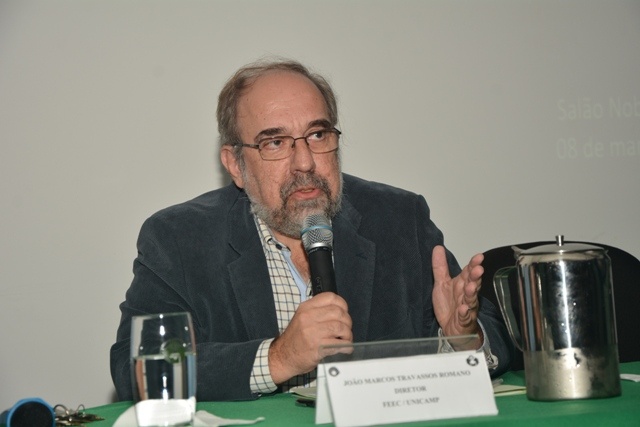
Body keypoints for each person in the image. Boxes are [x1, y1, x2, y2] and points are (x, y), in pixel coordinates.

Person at [110, 58, 513, 401]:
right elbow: (136, 367)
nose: (304, 162)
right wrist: (280, 357)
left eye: (318, 135)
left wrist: (463, 337)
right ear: (235, 165)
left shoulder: (397, 219)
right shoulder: (179, 239)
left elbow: (489, 335)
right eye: (275, 143)